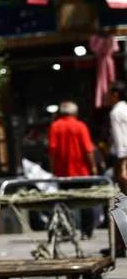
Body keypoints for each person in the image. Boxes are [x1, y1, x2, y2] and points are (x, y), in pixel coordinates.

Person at [48, 101, 98, 238]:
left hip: (63, 172)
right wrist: (93, 167)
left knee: (65, 202)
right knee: (86, 201)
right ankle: (86, 232)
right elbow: (88, 149)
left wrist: (53, 169)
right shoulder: (80, 126)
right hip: (82, 171)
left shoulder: (55, 126)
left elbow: (52, 150)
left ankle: (67, 230)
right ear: (75, 113)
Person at [110, 82, 127, 193]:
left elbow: (121, 139)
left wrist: (123, 166)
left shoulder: (116, 112)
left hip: (123, 159)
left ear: (115, 94)